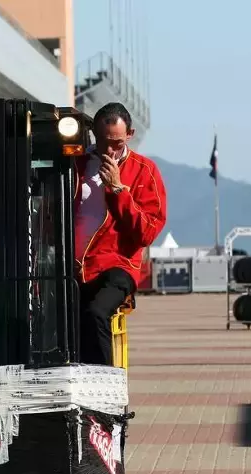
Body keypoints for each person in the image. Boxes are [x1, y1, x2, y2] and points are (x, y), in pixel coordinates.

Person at [74, 102, 167, 366]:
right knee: (58, 317)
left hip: (118, 264)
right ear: (92, 133)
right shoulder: (75, 164)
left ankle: (105, 390)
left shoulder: (144, 170)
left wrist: (118, 191)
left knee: (96, 312)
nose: (110, 150)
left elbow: (147, 233)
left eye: (116, 143)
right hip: (75, 264)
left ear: (129, 135)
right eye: (103, 142)